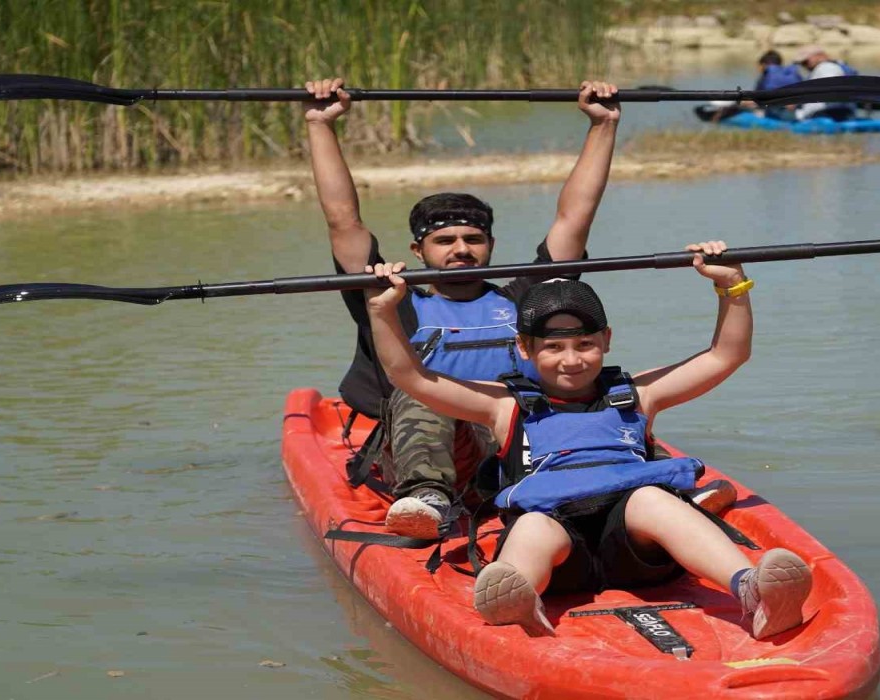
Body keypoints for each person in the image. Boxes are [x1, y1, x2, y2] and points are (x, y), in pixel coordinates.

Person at [362, 242, 813, 640]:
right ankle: (518, 595)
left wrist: (731, 286)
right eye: (554, 348)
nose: (572, 360)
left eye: (585, 345)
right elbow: (410, 375)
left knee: (653, 499)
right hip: (560, 553)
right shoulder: (502, 405)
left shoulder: (641, 394)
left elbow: (727, 354)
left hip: (637, 550)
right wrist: (384, 310)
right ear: (524, 348)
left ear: (607, 340)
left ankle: (751, 588)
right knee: (535, 524)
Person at [303, 77, 624, 539]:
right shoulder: (392, 298)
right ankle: (427, 498)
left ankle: (631, 485)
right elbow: (343, 221)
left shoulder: (523, 299)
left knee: (599, 383)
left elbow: (574, 218)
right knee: (422, 390)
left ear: (491, 245)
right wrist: (320, 126)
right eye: (445, 241)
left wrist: (602, 125)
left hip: (513, 446)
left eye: (473, 239)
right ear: (418, 250)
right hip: (426, 451)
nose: (461, 249)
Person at [791, 45, 858, 122]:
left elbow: (831, 86)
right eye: (802, 63)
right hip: (847, 112)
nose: (803, 65)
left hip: (822, 115)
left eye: (805, 62)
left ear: (819, 56)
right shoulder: (842, 66)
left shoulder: (826, 67)